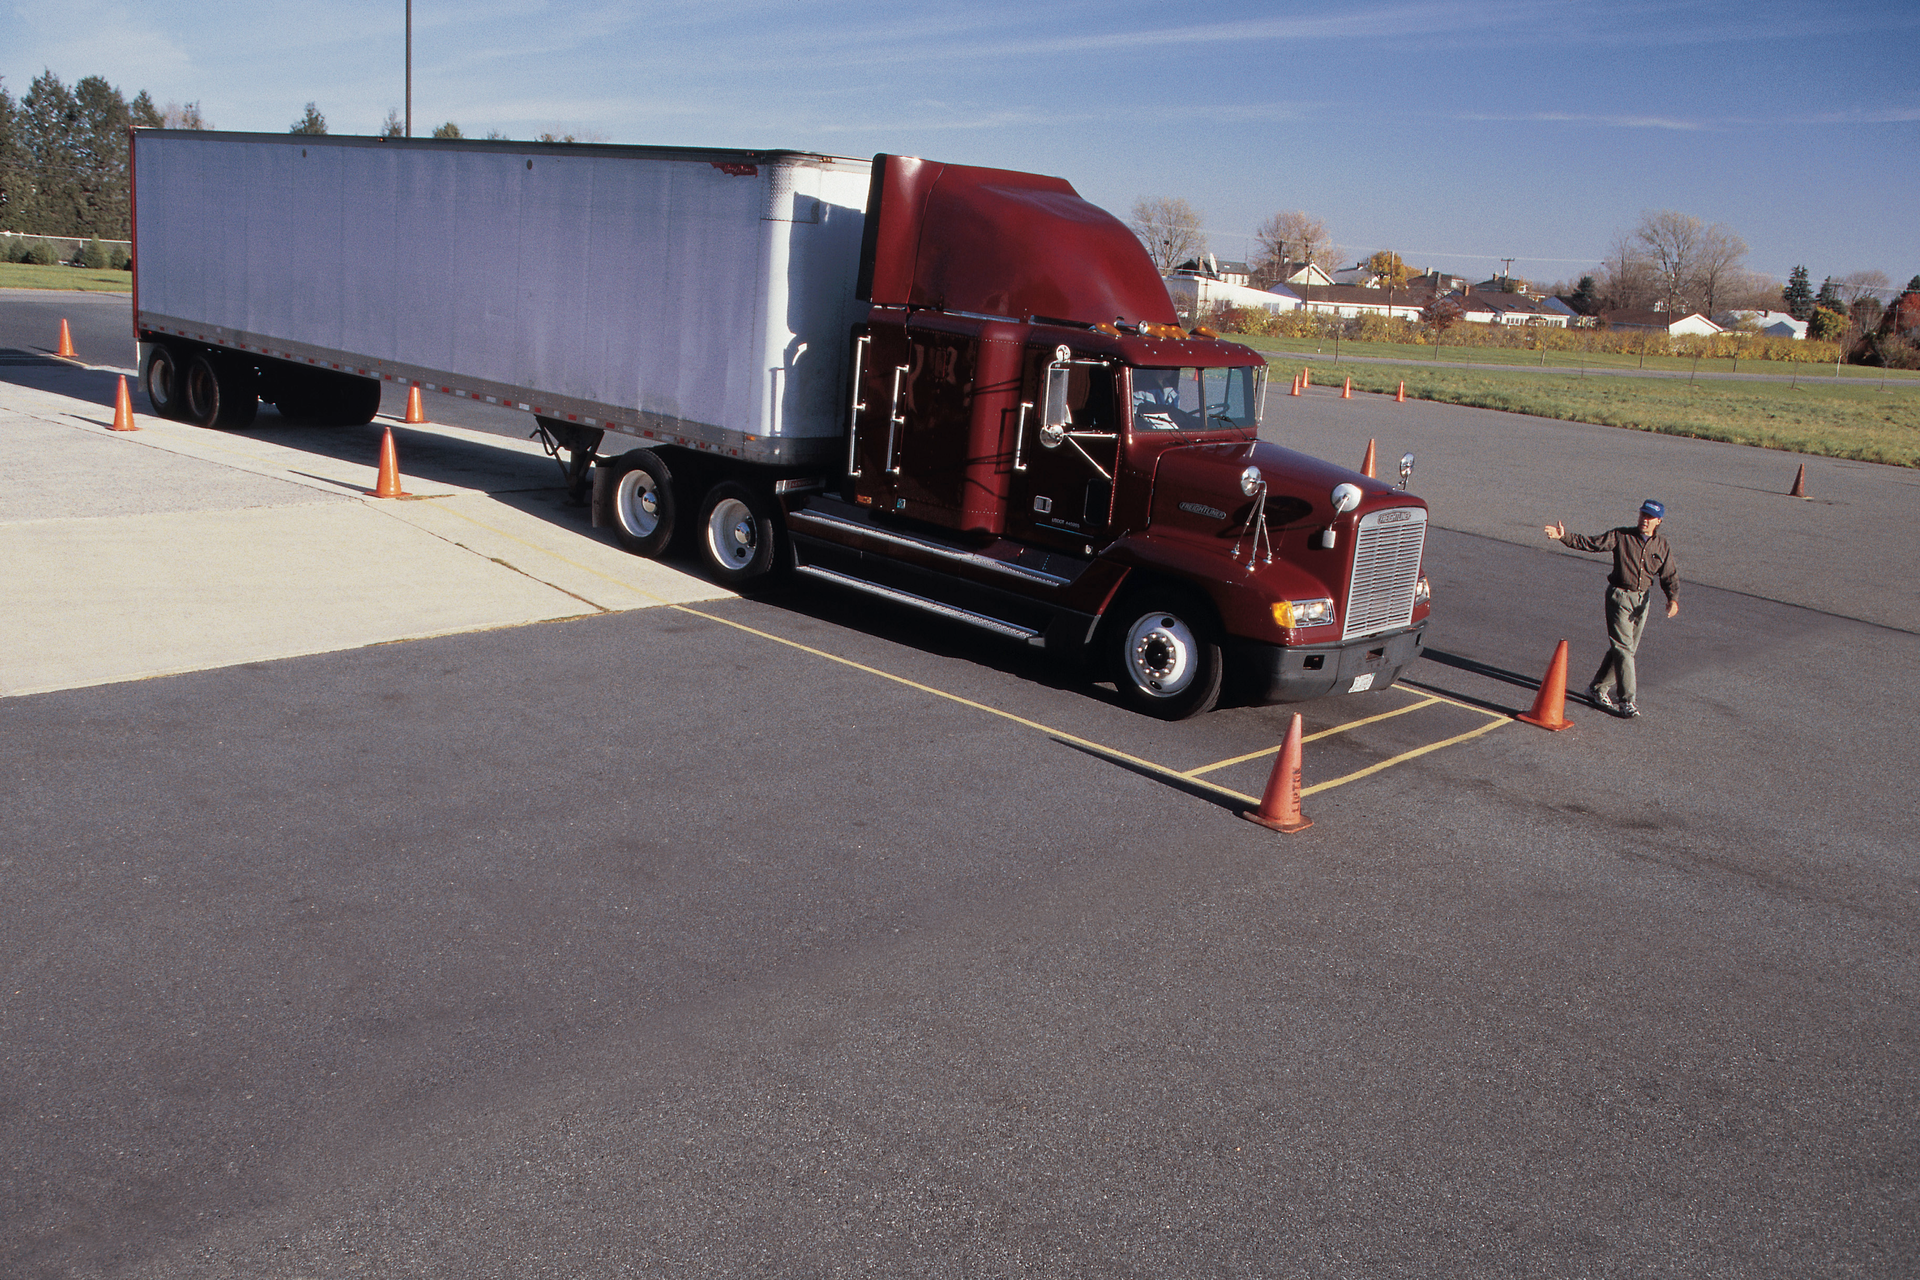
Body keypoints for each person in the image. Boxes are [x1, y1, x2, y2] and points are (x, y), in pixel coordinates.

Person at [1543, 500, 1680, 718]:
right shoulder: (1621, 536)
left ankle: (1597, 688)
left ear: (1658, 521)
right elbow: (1592, 543)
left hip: (1642, 601)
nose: (1644, 520)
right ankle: (1627, 701)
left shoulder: (1662, 545)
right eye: (1642, 515)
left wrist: (1672, 599)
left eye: (1649, 517)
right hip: (1619, 598)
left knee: (1625, 650)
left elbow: (1669, 575)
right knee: (1624, 649)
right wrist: (1564, 537)